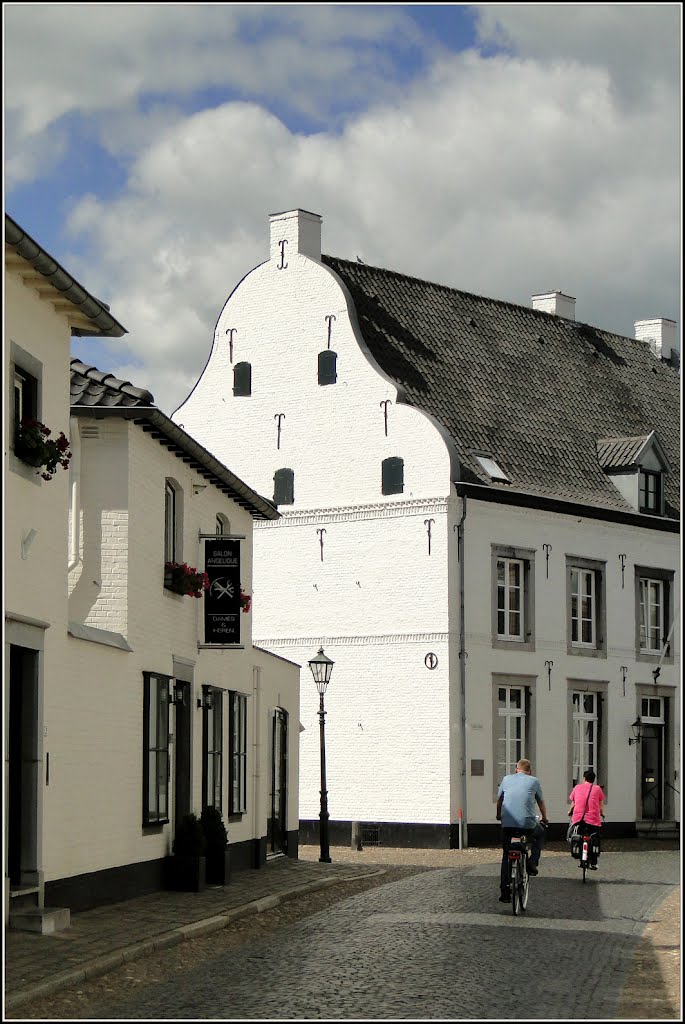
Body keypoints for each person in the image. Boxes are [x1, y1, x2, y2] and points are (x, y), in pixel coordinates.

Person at [496, 758, 548, 902]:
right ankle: (532, 862)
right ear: (530, 771)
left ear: (515, 769)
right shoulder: (534, 781)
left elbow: (500, 800)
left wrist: (498, 815)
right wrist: (545, 818)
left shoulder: (506, 779)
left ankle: (505, 892)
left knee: (506, 855)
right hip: (527, 825)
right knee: (541, 833)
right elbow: (541, 802)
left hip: (508, 825)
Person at [568, 769, 605, 869]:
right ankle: (593, 862)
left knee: (578, 835)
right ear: (594, 779)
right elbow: (600, 806)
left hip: (578, 818)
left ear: (584, 778)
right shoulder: (597, 789)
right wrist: (602, 814)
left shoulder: (577, 787)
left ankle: (581, 859)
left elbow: (573, 804)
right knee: (595, 837)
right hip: (593, 819)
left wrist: (570, 812)